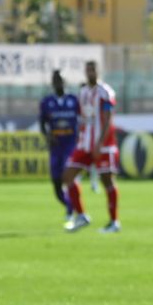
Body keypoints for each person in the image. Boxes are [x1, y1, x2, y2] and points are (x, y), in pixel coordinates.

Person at [62, 60, 120, 233]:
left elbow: (108, 118)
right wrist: (80, 138)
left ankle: (114, 222)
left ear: (98, 71)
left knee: (107, 181)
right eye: (88, 70)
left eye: (93, 70)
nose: (90, 73)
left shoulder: (105, 92)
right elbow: (83, 118)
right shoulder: (83, 92)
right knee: (68, 176)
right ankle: (81, 216)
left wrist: (100, 142)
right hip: (84, 143)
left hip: (102, 144)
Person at [39, 70, 79, 221]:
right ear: (52, 83)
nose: (58, 83)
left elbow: (83, 120)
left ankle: (73, 210)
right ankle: (71, 206)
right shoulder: (46, 102)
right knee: (56, 185)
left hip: (70, 144)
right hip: (55, 146)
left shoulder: (74, 100)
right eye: (55, 80)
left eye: (60, 80)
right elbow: (42, 123)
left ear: (65, 82)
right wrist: (48, 136)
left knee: (67, 176)